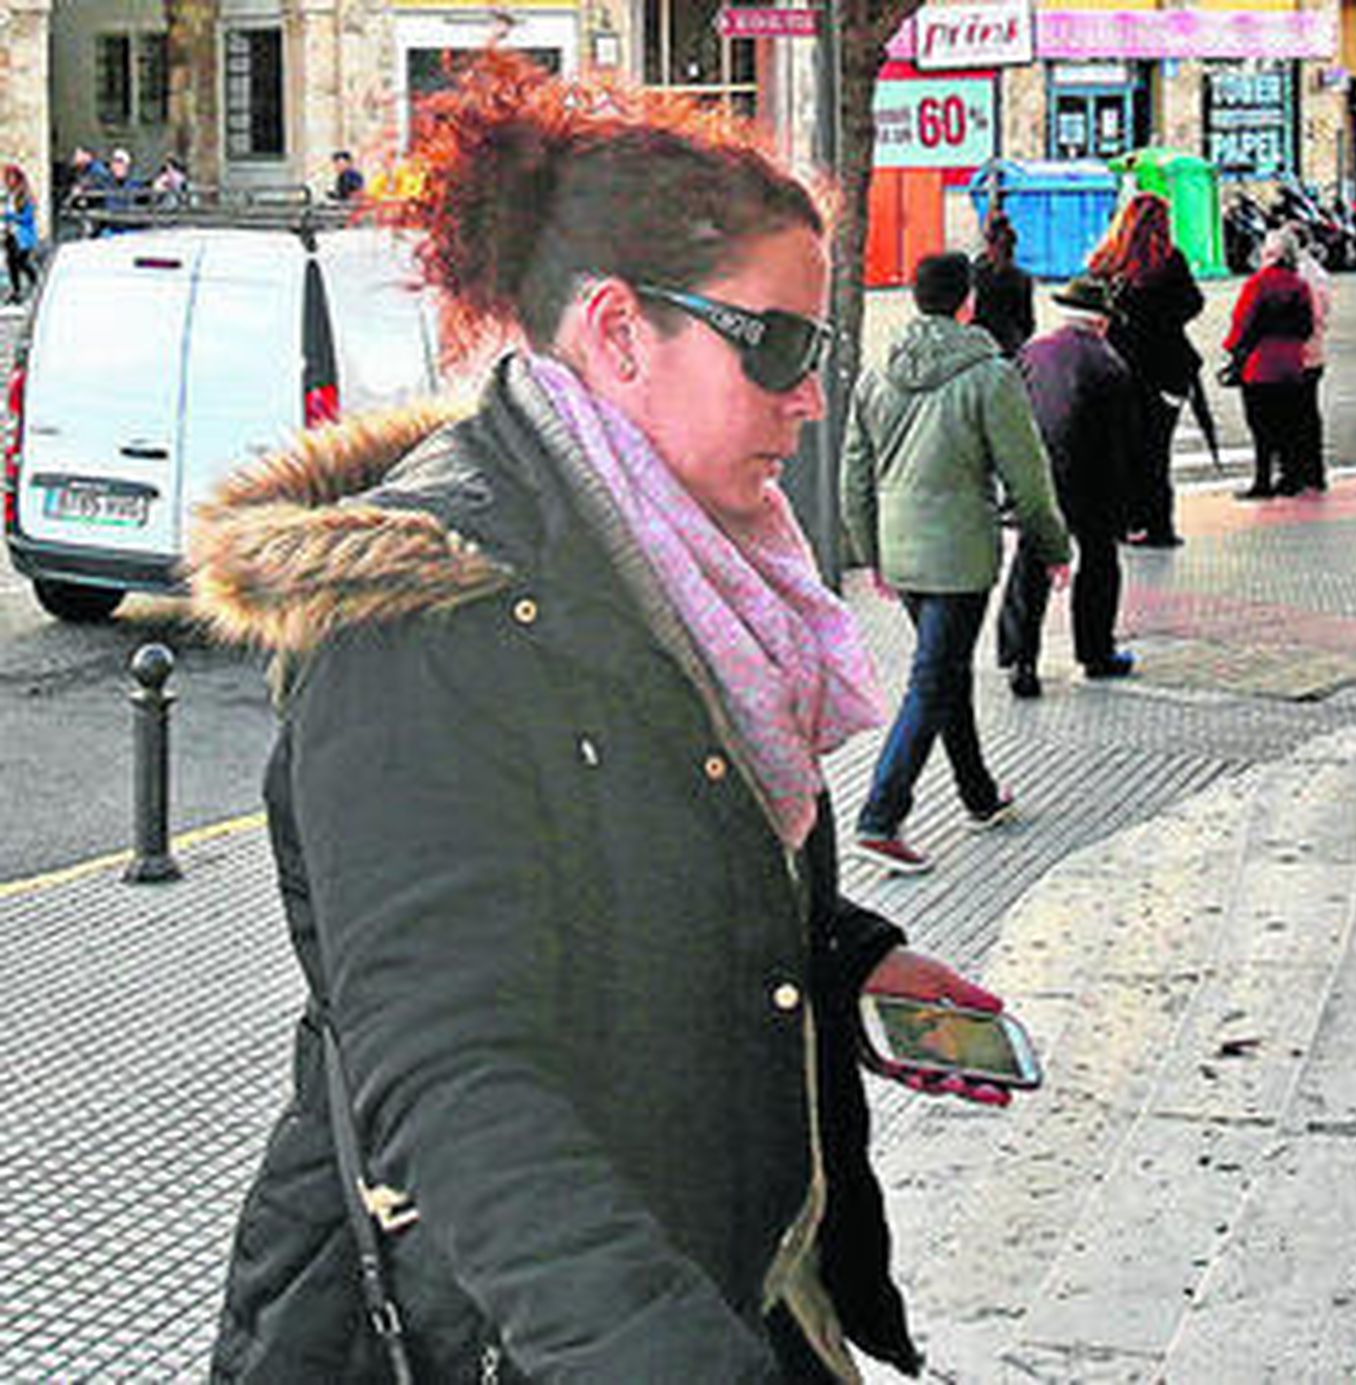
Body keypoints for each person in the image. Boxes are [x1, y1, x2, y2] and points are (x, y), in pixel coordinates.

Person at [189, 53, 1010, 1382]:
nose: (812, 398)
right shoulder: (429, 620)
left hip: (731, 1268)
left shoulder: (687, 554)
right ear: (622, 332)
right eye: (781, 347)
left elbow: (651, 833)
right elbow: (452, 1081)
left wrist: (844, 959)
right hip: (527, 1338)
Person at [842, 251, 1070, 875]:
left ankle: (978, 794)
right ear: (967, 302)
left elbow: (853, 476)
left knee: (945, 673)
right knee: (933, 677)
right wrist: (1052, 546)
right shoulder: (990, 376)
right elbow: (1029, 476)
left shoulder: (875, 375)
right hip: (960, 555)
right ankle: (880, 815)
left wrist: (873, 555)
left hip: (902, 551)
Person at [997, 274, 1141, 697]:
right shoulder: (1110, 365)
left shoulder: (1032, 353)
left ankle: (1022, 662)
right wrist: (1128, 505)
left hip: (1038, 477)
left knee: (1030, 566)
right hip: (1090, 483)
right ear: (1101, 322)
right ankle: (1095, 653)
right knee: (1098, 563)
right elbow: (1121, 445)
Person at [1086, 191, 1203, 548]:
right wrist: (1163, 319)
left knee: (1120, 447)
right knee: (1155, 450)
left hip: (1115, 368)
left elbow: (1090, 311)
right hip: (1163, 371)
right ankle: (1158, 526)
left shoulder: (1105, 262)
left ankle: (1125, 521)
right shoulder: (1169, 262)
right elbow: (1192, 304)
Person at [1223, 226, 1315, 500]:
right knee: (1289, 422)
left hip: (1260, 364)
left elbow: (1242, 321)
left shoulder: (1258, 284)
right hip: (1291, 361)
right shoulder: (1300, 285)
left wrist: (1232, 349)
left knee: (1261, 427)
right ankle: (1291, 478)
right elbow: (1306, 327)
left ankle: (1263, 481)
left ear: (1271, 253)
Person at [1286, 223, 1332, 491]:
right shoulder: (1317, 271)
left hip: (1298, 352)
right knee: (1308, 415)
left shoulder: (1300, 274)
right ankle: (1313, 472)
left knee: (1294, 415)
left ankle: (1297, 473)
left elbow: (1310, 314)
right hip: (1314, 351)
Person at [971, 209, 1034, 359]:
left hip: (980, 341)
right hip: (1010, 343)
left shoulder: (977, 273)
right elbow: (1027, 322)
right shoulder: (1022, 278)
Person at [2, 164, 40, 305]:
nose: (8, 180)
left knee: (22, 262)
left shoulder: (25, 195)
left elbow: (28, 217)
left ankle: (37, 283)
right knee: (11, 263)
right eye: (7, 177)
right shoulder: (9, 195)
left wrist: (9, 216)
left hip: (22, 236)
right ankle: (16, 291)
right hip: (11, 234)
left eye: (11, 177)